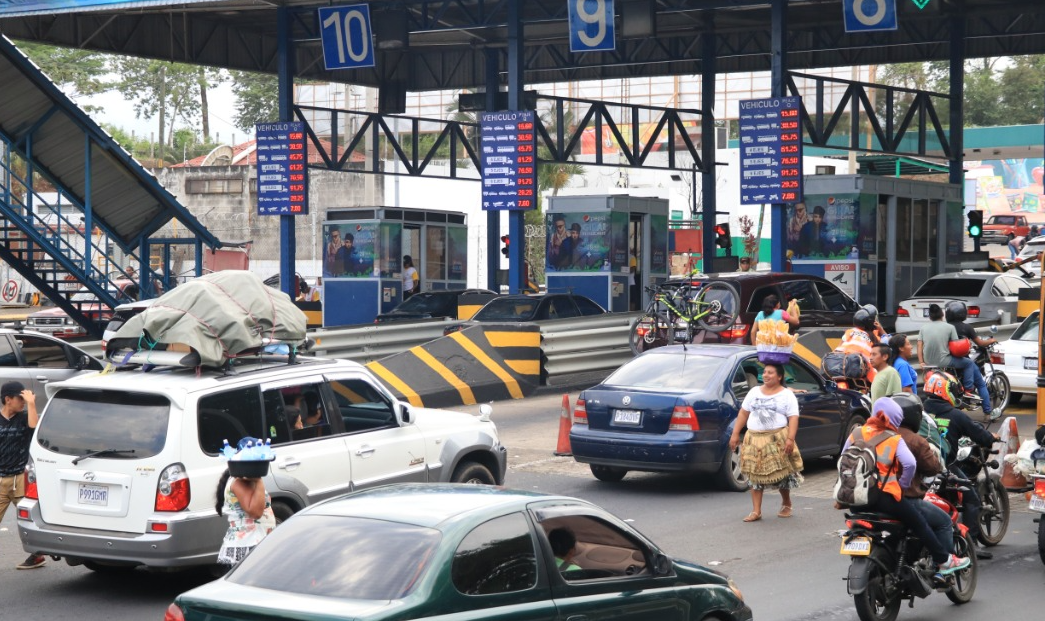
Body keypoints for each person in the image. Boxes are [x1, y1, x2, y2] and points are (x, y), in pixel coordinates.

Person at [838, 397, 970, 575]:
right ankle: (944, 561)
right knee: (919, 523)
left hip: (857, 498)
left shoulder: (857, 433)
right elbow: (910, 464)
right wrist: (902, 484)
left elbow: (843, 459)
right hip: (885, 498)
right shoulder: (893, 438)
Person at [921, 371, 999, 560]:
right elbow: (979, 434)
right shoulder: (955, 415)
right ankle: (971, 544)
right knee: (971, 498)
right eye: (954, 390)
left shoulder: (920, 410)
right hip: (944, 467)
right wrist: (991, 437)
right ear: (945, 391)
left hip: (921, 466)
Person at [728, 362, 804, 522]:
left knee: (781, 474)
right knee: (754, 475)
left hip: (777, 439)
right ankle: (756, 511)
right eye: (765, 372)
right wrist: (735, 434)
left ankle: (786, 502)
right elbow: (743, 413)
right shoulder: (754, 391)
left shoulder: (787, 395)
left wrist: (790, 439)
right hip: (753, 438)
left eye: (770, 373)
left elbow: (793, 417)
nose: (766, 375)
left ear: (779, 376)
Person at [893, 392, 954, 559]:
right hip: (905, 499)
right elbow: (932, 468)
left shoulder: (876, 435)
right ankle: (944, 567)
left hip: (875, 499)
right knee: (944, 522)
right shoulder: (915, 440)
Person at [0, 381, 46, 570]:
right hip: (1, 479)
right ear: (7, 399)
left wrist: (32, 404)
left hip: (20, 479)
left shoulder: (24, 417)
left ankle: (37, 555)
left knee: (31, 520)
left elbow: (34, 429)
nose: (22, 402)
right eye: (20, 399)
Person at [215, 462, 276, 567]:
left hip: (255, 542)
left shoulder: (246, 481)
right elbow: (256, 512)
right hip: (247, 547)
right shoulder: (238, 482)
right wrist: (259, 480)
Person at [945, 301, 1000, 419]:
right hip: (963, 360)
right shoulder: (967, 328)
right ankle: (987, 413)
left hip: (948, 361)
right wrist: (990, 341)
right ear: (963, 313)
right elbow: (980, 343)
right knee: (980, 384)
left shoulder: (946, 328)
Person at [833, 305, 883, 384]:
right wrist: (882, 330)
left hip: (839, 362)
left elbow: (839, 346)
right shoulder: (875, 336)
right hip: (860, 366)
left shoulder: (850, 331)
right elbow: (885, 345)